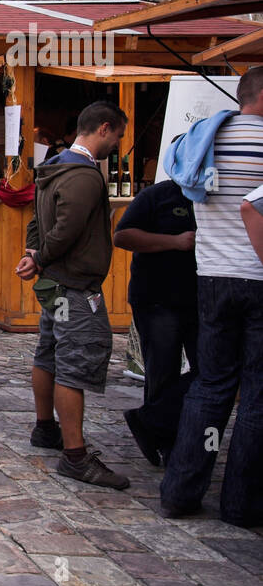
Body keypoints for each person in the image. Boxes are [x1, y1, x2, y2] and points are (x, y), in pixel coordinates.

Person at [161, 66, 263, 526]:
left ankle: (181, 491)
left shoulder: (205, 139)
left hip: (213, 275)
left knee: (211, 384)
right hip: (258, 275)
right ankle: (242, 504)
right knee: (257, 395)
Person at [15, 100, 129, 490]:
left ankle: (46, 429)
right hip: (76, 285)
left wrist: (34, 255)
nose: (117, 144)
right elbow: (65, 229)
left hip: (56, 283)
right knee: (74, 363)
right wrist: (40, 257)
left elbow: (38, 222)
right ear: (103, 128)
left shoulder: (55, 166)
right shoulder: (84, 175)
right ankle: (75, 456)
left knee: (49, 354)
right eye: (117, 136)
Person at [113, 180, 197, 467]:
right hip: (157, 298)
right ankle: (165, 443)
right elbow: (122, 236)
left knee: (211, 370)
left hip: (201, 299)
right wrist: (175, 242)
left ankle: (150, 421)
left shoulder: (212, 196)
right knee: (163, 370)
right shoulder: (157, 195)